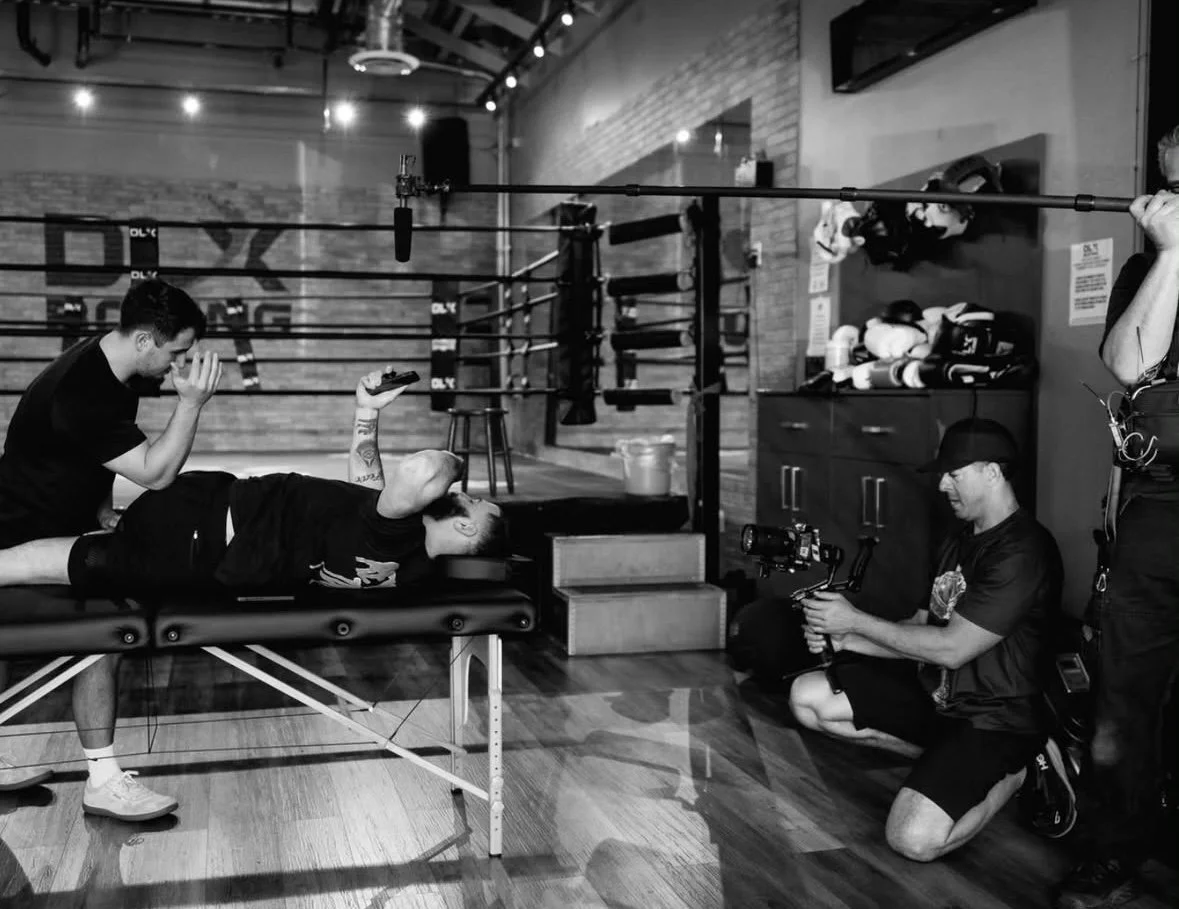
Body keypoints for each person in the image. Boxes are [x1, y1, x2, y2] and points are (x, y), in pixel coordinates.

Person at [0, 367, 509, 816]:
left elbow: (422, 471)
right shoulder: (408, 566)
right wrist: (366, 413)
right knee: (61, 555)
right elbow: (371, 489)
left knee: (46, 559)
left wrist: (456, 463)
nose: (465, 494)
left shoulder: (400, 534)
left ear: (466, 529)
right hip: (199, 540)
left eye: (474, 502)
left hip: (193, 533)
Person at [788, 417, 1070, 863]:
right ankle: (946, 766)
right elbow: (919, 626)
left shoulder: (1023, 551)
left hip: (996, 718)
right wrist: (845, 638)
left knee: (912, 839)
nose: (942, 485)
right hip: (939, 698)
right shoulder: (959, 541)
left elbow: (952, 648)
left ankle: (1024, 769)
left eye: (953, 474)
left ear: (992, 472)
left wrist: (856, 620)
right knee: (808, 698)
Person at [0, 278, 220, 820]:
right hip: (21, 537)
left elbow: (94, 453)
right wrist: (191, 404)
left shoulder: (109, 365)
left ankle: (96, 776)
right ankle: (102, 781)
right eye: (176, 352)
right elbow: (156, 473)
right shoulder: (85, 392)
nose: (179, 364)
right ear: (144, 340)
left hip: (50, 524)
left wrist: (101, 511)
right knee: (106, 622)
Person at [1052, 126, 1179, 909]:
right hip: (1159, 506)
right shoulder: (1148, 268)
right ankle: (1114, 850)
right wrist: (1172, 255)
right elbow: (1131, 365)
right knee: (1124, 691)